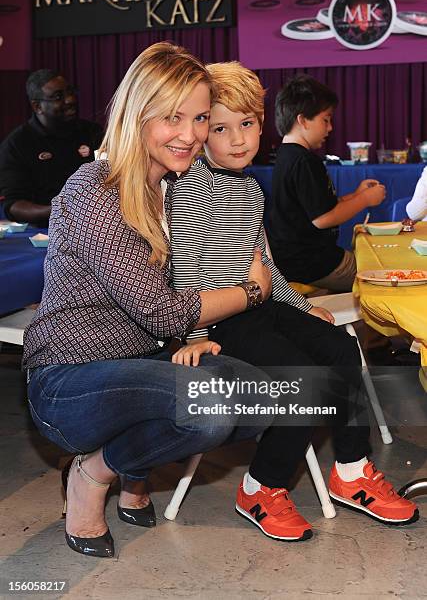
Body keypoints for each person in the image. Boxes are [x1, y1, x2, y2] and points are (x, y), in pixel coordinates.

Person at [23, 43, 275, 559]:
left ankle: (130, 463)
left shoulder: (179, 187)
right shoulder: (95, 188)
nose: (191, 134)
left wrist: (193, 340)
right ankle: (92, 475)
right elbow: (163, 309)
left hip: (145, 361)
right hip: (69, 378)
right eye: (172, 117)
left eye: (201, 117)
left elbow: (202, 277)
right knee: (206, 411)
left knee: (262, 397)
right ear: (137, 114)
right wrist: (252, 292)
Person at [170, 61, 418, 542]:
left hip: (260, 304)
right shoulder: (189, 188)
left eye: (247, 124)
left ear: (262, 124)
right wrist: (196, 335)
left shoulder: (249, 188)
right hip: (218, 317)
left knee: (343, 349)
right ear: (201, 132)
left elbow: (265, 262)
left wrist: (302, 307)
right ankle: (260, 486)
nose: (238, 139)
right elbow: (187, 269)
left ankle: (351, 470)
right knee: (304, 376)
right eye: (220, 128)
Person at [267, 74, 386, 292]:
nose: (330, 128)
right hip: (311, 263)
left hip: (298, 260)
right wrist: (365, 199)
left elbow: (319, 206)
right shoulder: (304, 161)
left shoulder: (287, 156)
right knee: (380, 274)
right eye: (326, 119)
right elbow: (323, 219)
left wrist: (354, 195)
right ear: (302, 120)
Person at [0, 69, 103, 226]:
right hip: (41, 231)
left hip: (94, 225)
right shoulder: (17, 144)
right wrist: (60, 211)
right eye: (58, 97)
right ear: (37, 106)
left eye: (70, 92)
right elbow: (13, 205)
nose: (70, 100)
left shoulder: (93, 133)